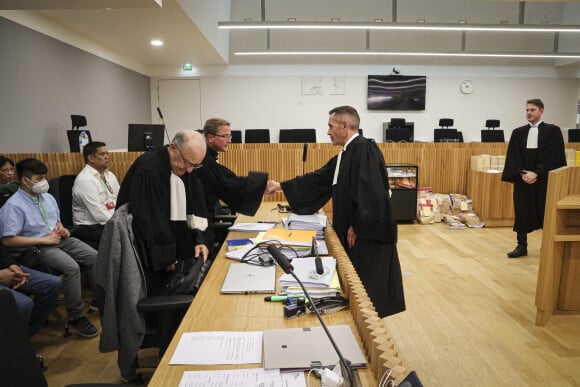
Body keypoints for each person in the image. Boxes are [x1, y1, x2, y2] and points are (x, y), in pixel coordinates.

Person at [267, 105, 405, 318]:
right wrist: (281, 186)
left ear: (345, 125)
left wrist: (358, 225)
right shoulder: (347, 153)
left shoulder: (363, 149)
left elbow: (373, 194)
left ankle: (368, 327)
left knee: (368, 288)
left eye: (331, 126)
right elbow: (319, 178)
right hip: (355, 233)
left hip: (366, 236)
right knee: (356, 285)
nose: (328, 131)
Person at [0, 158, 99, 338]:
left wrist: (62, 228)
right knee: (72, 268)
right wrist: (43, 239)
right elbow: (8, 240)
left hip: (58, 239)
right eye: (39, 179)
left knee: (95, 257)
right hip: (36, 247)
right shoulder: (13, 206)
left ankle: (99, 301)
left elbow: (56, 219)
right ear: (25, 181)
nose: (44, 182)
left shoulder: (47, 197)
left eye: (45, 177)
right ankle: (76, 316)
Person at [116, 130, 210, 296]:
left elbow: (191, 210)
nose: (189, 170)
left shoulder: (180, 167)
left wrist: (198, 239)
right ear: (173, 148)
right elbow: (147, 221)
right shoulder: (148, 169)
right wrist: (166, 256)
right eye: (188, 163)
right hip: (149, 258)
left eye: (195, 165)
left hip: (172, 247)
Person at [501, 99, 566, 258]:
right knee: (522, 211)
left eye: (533, 110)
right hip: (523, 180)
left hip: (543, 180)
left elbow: (554, 156)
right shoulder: (518, 132)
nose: (529, 113)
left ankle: (548, 246)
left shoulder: (553, 131)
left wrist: (537, 173)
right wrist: (523, 173)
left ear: (541, 111)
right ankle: (521, 245)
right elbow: (513, 157)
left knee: (546, 212)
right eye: (527, 110)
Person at [195, 118, 268, 254]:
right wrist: (261, 185)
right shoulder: (204, 162)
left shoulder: (208, 159)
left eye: (230, 136)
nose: (229, 140)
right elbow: (228, 184)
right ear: (210, 137)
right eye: (225, 136)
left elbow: (228, 180)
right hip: (201, 230)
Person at [0, 243, 61, 337]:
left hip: (5, 268)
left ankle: (24, 336)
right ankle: (13, 344)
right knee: (24, 304)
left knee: (53, 284)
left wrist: (13, 265)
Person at [72, 141, 120, 250]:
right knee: (124, 237)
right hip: (89, 227)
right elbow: (98, 213)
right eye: (102, 154)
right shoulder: (85, 180)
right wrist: (119, 224)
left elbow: (119, 198)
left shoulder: (110, 175)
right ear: (91, 158)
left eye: (107, 153)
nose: (107, 157)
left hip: (109, 220)